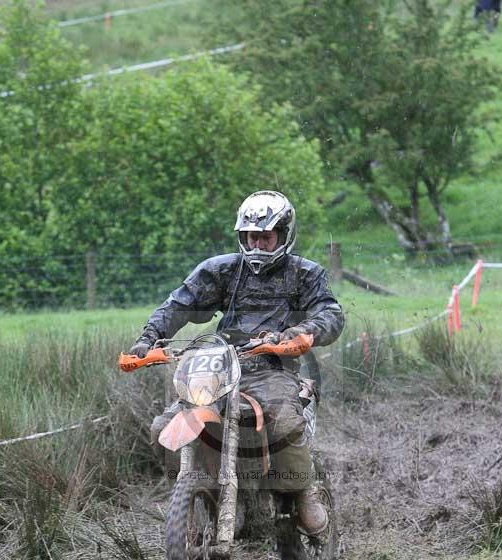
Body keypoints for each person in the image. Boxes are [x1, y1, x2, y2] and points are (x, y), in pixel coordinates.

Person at [129, 190, 345, 535]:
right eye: (250, 237)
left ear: (284, 235)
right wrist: (148, 339)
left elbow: (330, 312)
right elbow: (178, 306)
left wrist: (304, 330)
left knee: (284, 424)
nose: (257, 244)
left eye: (265, 236)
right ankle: (203, 492)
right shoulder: (220, 270)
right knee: (162, 428)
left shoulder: (305, 273)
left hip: (272, 369)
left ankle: (303, 490)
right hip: (217, 366)